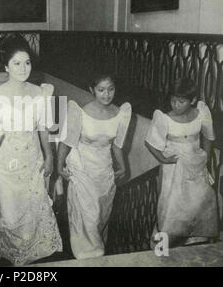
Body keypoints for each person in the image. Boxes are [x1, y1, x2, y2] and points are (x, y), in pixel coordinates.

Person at [0, 33, 63, 266]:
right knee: (10, 212)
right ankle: (2, 243)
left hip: (32, 158)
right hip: (5, 163)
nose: (23, 68)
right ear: (6, 66)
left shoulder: (40, 93)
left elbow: (44, 128)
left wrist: (49, 157)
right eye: (16, 63)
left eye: (27, 62)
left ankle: (23, 255)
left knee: (32, 210)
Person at [56, 72, 132, 260]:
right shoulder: (79, 112)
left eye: (111, 89)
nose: (107, 94)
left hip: (104, 171)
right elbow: (66, 142)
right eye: (101, 90)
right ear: (92, 90)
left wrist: (123, 167)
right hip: (81, 167)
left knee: (100, 218)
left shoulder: (121, 113)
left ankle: (97, 255)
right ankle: (87, 258)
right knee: (86, 219)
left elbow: (117, 146)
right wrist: (59, 167)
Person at [145, 77, 218, 247]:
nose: (175, 104)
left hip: (196, 167)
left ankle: (192, 245)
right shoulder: (164, 118)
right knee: (171, 209)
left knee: (197, 205)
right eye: (173, 100)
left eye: (181, 101)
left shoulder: (201, 112)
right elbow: (149, 142)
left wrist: (205, 159)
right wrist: (163, 159)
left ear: (192, 100)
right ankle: (161, 251)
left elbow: (208, 137)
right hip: (174, 169)